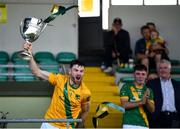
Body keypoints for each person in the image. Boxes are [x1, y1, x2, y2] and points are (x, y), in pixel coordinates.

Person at [23, 42, 91, 129]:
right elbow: (37, 72)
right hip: (49, 124)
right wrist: (30, 54)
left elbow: (85, 111)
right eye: (76, 70)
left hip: (68, 126)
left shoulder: (85, 92)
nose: (79, 73)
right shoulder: (59, 79)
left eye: (81, 71)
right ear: (70, 71)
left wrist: (79, 127)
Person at [146, 59, 180, 128]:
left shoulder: (177, 85)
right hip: (157, 118)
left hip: (175, 118)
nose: (163, 70)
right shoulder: (152, 83)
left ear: (170, 70)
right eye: (160, 68)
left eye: (165, 68)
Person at [120, 64, 155, 129]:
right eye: (138, 74)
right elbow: (124, 105)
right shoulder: (126, 87)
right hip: (128, 123)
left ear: (146, 76)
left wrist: (147, 100)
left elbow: (152, 110)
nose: (140, 76)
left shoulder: (148, 90)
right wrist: (141, 102)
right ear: (134, 75)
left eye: (143, 74)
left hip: (144, 124)